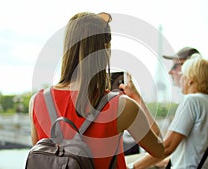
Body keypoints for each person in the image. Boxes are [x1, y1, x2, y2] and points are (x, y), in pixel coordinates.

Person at [28, 12, 167, 169]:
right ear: (105, 50)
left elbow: (46, 157)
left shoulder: (37, 101)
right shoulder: (122, 106)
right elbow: (160, 150)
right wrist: (138, 99)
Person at [123, 57, 208, 169]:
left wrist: (132, 166)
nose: (181, 79)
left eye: (183, 75)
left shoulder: (191, 101)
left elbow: (166, 148)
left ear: (190, 80)